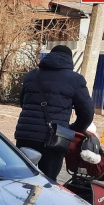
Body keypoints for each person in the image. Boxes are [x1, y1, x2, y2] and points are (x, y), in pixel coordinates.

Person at [14, 45, 93, 181]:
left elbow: (23, 103)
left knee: (22, 179)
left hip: (26, 135)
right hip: (54, 139)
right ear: (69, 60)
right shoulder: (75, 79)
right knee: (48, 182)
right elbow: (86, 113)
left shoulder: (31, 76)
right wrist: (72, 130)